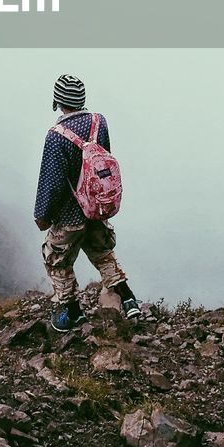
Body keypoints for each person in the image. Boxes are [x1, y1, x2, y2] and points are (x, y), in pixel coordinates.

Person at [35, 73, 141, 331]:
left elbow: (52, 181)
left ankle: (70, 313)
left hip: (70, 215)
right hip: (96, 208)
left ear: (58, 101)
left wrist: (42, 214)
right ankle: (128, 300)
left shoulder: (56, 136)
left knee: (57, 260)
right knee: (103, 253)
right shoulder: (98, 122)